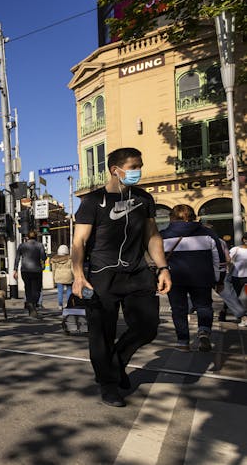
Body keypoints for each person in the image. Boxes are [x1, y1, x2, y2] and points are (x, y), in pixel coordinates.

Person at [72, 147, 171, 408]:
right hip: (102, 276)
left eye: (140, 165)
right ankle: (108, 384)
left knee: (147, 327)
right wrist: (78, 275)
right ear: (116, 169)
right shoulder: (93, 201)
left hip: (138, 273)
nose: (139, 170)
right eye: (134, 166)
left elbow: (152, 236)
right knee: (101, 334)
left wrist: (163, 268)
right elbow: (79, 241)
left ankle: (115, 363)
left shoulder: (144, 198)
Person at [160, 204, 225, 352]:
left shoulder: (163, 235)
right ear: (193, 216)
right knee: (204, 306)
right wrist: (219, 280)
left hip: (174, 278)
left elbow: (157, 259)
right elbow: (219, 259)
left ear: (172, 217)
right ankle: (204, 332)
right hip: (202, 277)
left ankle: (183, 342)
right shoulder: (208, 233)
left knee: (178, 310)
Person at [14, 231, 46, 317]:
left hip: (25, 270)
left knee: (28, 288)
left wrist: (15, 269)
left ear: (27, 237)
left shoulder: (22, 246)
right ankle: (33, 303)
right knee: (37, 289)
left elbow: (17, 258)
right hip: (36, 270)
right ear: (36, 237)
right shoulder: (40, 245)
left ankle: (30, 304)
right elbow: (43, 257)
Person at [228, 234, 247, 328]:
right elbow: (228, 261)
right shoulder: (236, 249)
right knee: (238, 297)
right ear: (244, 240)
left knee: (244, 298)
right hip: (237, 277)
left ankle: (244, 317)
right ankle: (243, 317)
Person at [51, 245, 73, 310]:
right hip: (68, 276)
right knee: (69, 291)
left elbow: (53, 269)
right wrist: (74, 276)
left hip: (58, 276)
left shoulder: (55, 259)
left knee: (60, 292)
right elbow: (72, 269)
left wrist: (53, 278)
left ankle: (60, 305)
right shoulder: (70, 259)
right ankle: (69, 304)